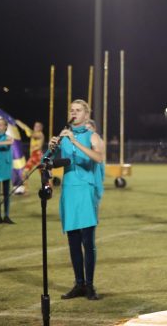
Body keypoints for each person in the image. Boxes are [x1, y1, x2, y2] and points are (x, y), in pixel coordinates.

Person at [46, 99, 105, 300]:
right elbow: (47, 163)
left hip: (86, 191)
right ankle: (78, 284)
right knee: (73, 241)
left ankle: (90, 285)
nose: (74, 113)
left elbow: (98, 158)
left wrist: (74, 141)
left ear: (86, 115)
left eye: (78, 110)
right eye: (71, 110)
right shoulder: (63, 136)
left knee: (88, 241)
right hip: (69, 191)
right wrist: (51, 147)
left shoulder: (93, 136)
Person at [0, 118, 15, 224]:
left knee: (6, 193)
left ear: (6, 127)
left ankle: (6, 216)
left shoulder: (8, 137)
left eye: (1, 125)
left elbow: (10, 142)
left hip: (5, 168)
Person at [84, 120, 105, 208]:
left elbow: (98, 158)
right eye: (86, 128)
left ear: (94, 128)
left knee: (95, 196)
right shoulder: (86, 139)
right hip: (88, 170)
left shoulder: (98, 140)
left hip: (96, 168)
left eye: (89, 128)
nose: (87, 130)